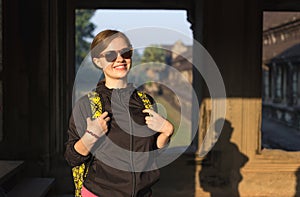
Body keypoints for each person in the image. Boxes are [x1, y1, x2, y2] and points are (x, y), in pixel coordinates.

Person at [65, 29, 174, 197]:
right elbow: (72, 158)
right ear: (97, 61)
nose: (120, 59)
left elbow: (151, 153)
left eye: (126, 52)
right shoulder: (87, 105)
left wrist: (167, 132)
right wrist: (90, 136)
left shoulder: (146, 102)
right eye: (110, 55)